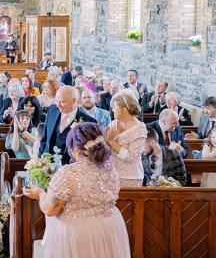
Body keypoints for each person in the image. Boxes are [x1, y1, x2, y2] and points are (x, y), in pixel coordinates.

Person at [23, 122, 131, 258]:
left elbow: (50, 209)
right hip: (108, 228)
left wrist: (40, 193)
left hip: (78, 233)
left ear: (75, 148)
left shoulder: (69, 173)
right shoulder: (110, 170)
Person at [38, 86, 96, 165]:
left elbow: (89, 152)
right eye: (57, 101)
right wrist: (39, 160)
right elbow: (44, 139)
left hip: (70, 168)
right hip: (47, 165)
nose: (58, 105)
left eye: (62, 102)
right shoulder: (52, 110)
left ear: (74, 100)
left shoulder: (88, 122)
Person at [105, 91, 148, 187]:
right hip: (111, 173)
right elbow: (105, 141)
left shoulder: (139, 131)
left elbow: (131, 157)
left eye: (115, 107)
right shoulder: (115, 122)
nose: (112, 110)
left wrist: (112, 142)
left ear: (124, 110)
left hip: (130, 177)